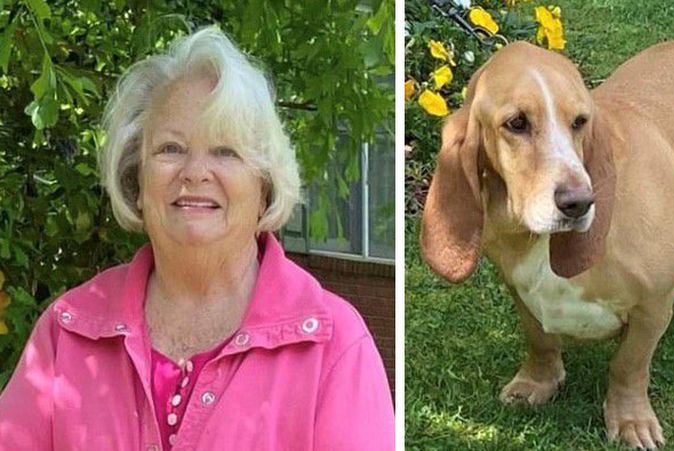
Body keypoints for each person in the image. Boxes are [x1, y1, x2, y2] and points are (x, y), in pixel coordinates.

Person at [0, 27, 394, 450]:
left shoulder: (332, 346)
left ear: (264, 185)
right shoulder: (71, 330)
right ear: (137, 177)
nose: (194, 172)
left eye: (225, 151)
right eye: (171, 148)